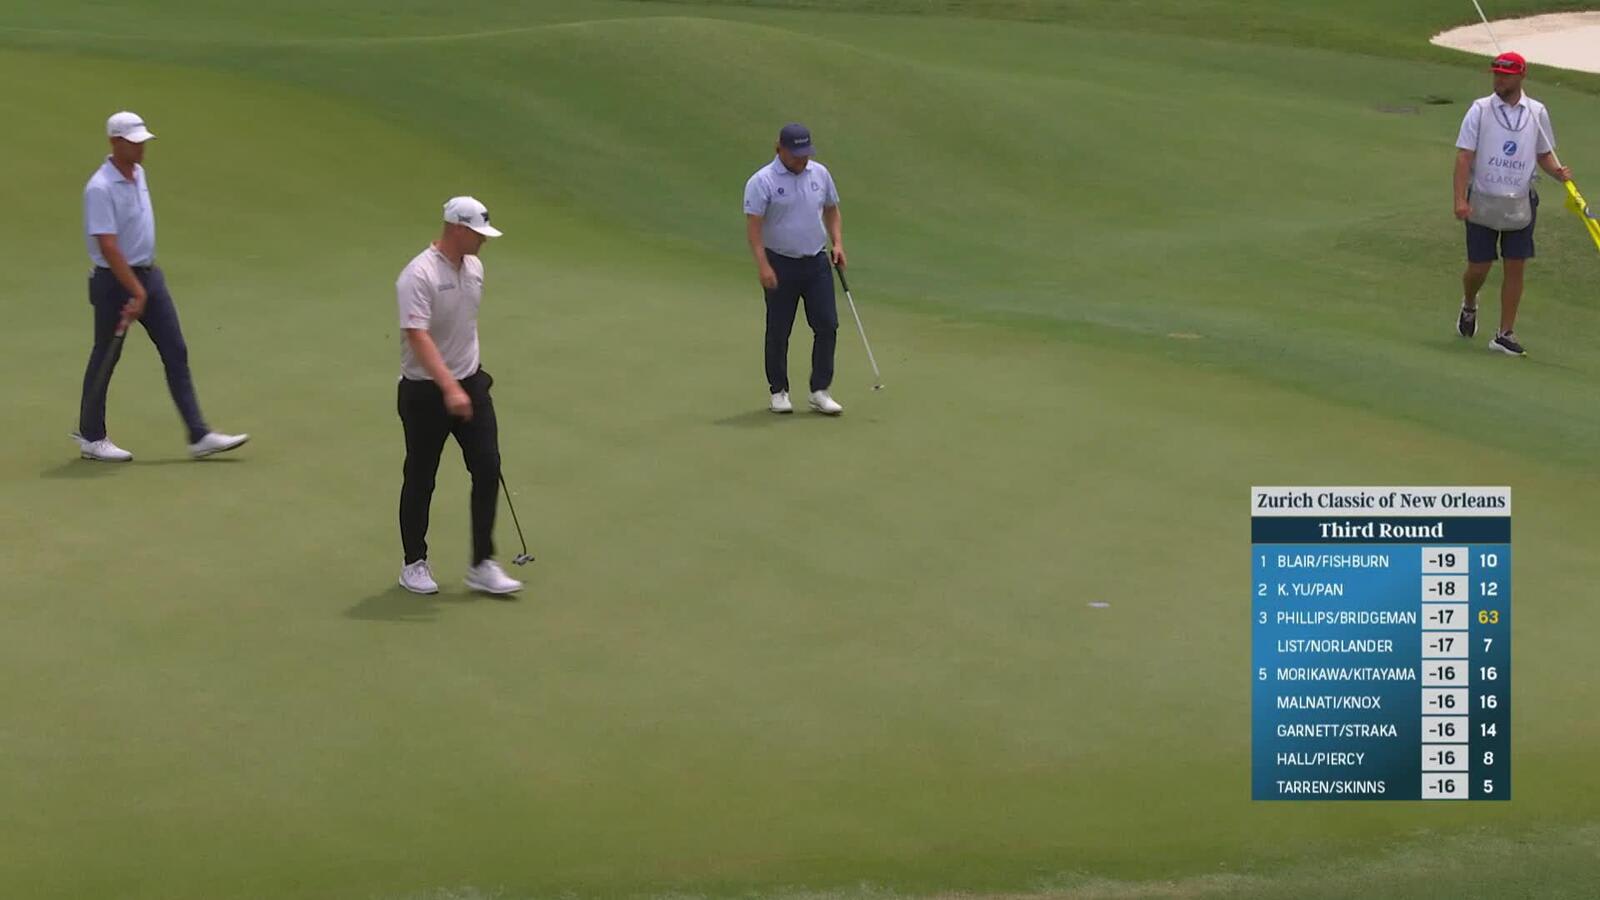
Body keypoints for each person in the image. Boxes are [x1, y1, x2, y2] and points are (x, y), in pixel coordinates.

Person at [75, 111, 249, 460]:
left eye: (143, 142)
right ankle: (92, 437)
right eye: (134, 142)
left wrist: (144, 287)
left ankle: (198, 435)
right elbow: (108, 245)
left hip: (149, 276)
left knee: (175, 350)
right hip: (114, 282)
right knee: (106, 356)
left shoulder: (139, 173)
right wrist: (135, 291)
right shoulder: (100, 187)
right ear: (115, 142)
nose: (142, 148)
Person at [395, 196, 522, 596]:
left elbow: (465, 326)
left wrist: (470, 381)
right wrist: (448, 387)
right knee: (421, 477)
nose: (484, 242)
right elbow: (417, 336)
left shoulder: (476, 268)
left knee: (488, 467)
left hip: (469, 383)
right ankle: (414, 563)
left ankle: (482, 563)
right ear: (457, 229)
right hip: (424, 391)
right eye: (478, 234)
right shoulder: (418, 276)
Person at [1452, 52, 1572, 357]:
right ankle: (1469, 302)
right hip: (1482, 197)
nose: (1498, 80)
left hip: (1520, 200)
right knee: (1479, 268)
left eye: (1504, 76)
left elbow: (1543, 152)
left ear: (1520, 76)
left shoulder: (1536, 112)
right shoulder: (1479, 110)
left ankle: (1504, 333)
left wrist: (1556, 172)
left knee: (1515, 267)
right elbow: (1464, 155)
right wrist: (1459, 199)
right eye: (1495, 75)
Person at [743, 123, 847, 415]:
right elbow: (753, 228)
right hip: (780, 264)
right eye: (797, 154)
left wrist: (838, 243)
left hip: (816, 262)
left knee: (827, 325)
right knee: (779, 330)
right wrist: (763, 265)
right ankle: (778, 391)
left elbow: (831, 209)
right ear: (780, 149)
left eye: (806, 153)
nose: (803, 160)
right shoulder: (761, 181)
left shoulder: (820, 173)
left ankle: (820, 390)